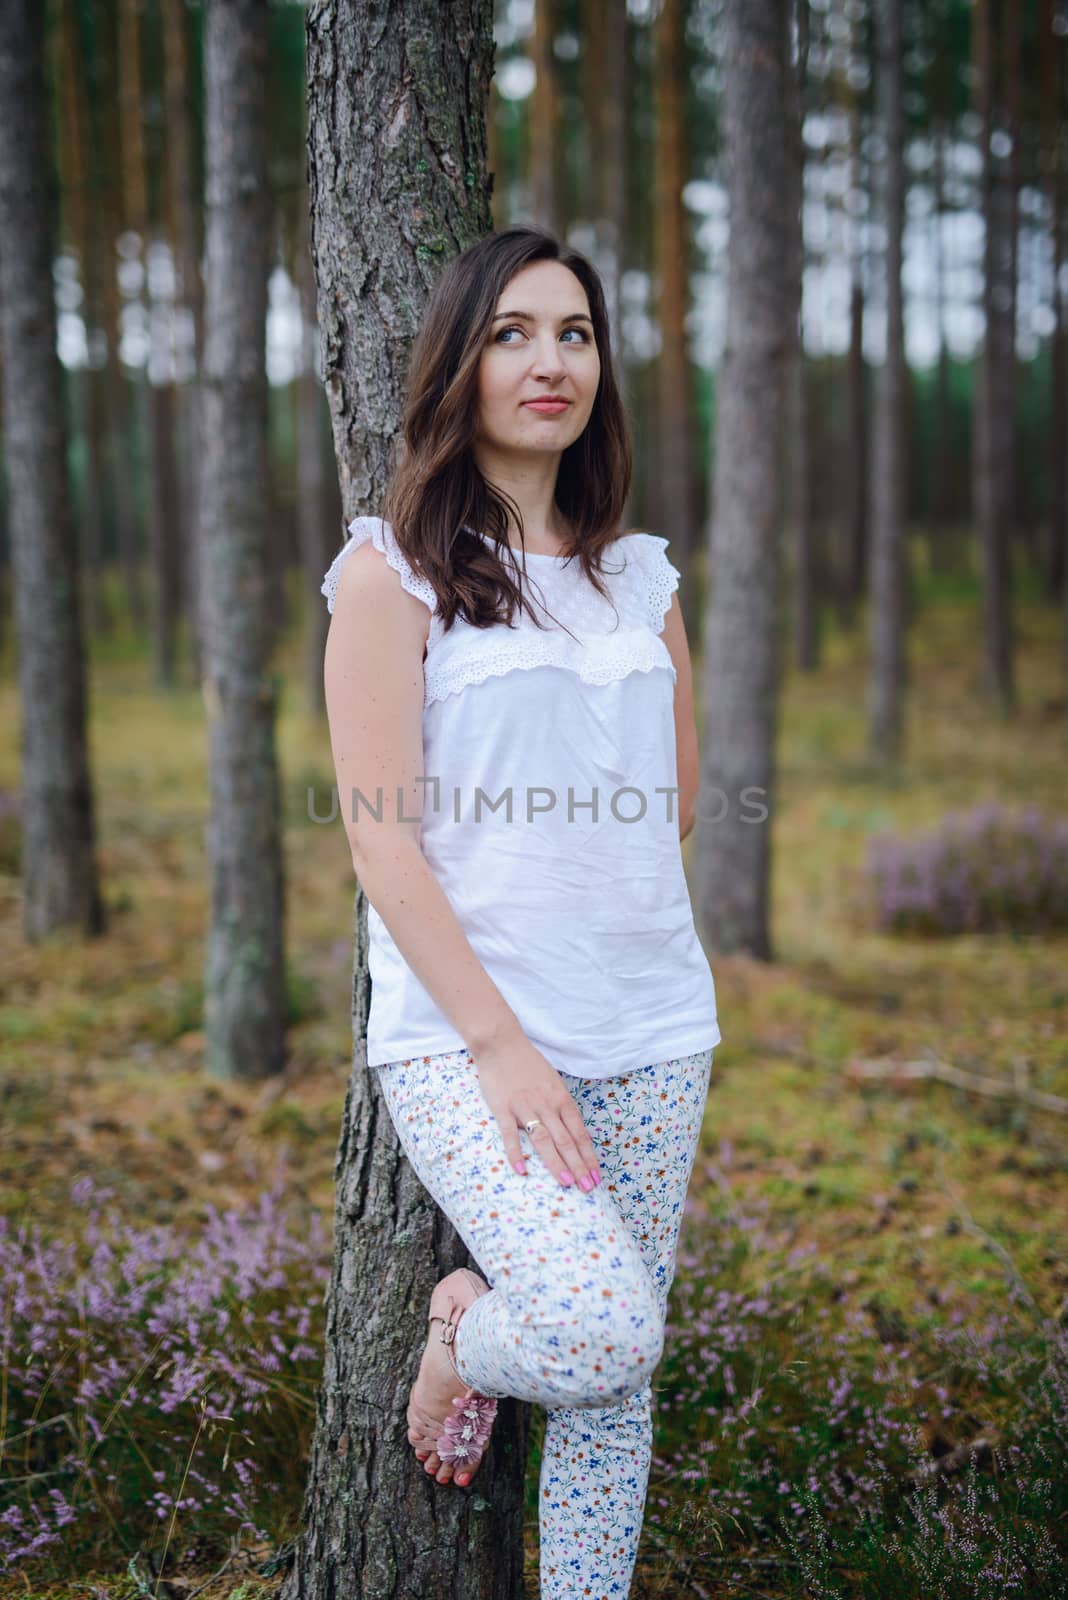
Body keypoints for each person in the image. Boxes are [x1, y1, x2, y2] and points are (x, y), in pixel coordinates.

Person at [321, 224, 721, 1600]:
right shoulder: (393, 575)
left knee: (616, 1398)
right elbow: (382, 849)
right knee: (607, 1330)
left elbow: (667, 806)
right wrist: (501, 1041)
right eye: (511, 333)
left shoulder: (641, 581)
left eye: (574, 334)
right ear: (458, 365)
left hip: (654, 1023)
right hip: (470, 1041)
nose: (548, 362)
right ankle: (468, 1327)